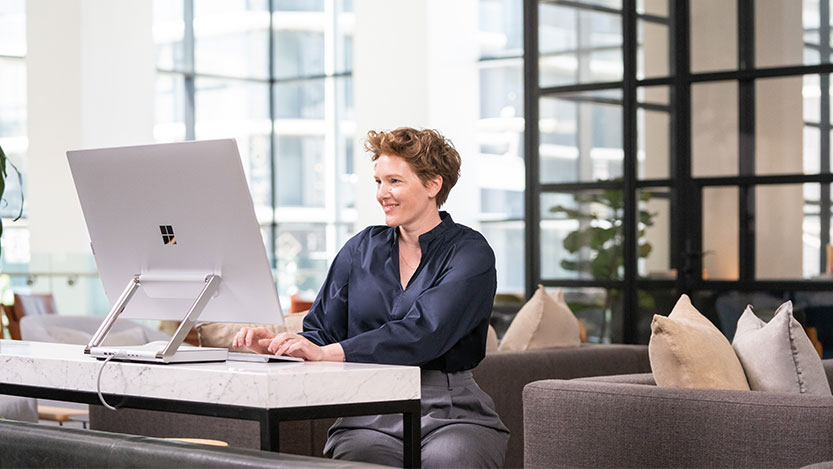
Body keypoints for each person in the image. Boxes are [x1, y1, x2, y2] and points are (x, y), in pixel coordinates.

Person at [232, 127, 509, 468]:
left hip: (450, 411)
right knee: (362, 459)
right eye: (378, 181)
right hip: (369, 411)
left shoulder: (470, 252)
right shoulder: (360, 248)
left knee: (448, 459)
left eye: (394, 181)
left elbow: (427, 331)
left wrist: (329, 353)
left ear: (433, 185)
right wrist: (280, 348)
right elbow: (322, 331)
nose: (381, 194)